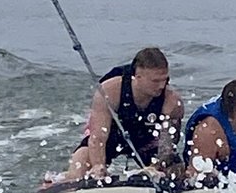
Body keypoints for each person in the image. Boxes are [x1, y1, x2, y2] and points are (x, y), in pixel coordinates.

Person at [64, 47, 184, 180]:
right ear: (137, 77)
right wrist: (98, 165)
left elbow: (167, 148)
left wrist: (155, 167)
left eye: (165, 80)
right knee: (81, 161)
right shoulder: (109, 91)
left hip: (147, 141)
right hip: (113, 135)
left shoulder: (172, 102)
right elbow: (97, 138)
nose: (162, 86)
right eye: (155, 81)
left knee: (174, 172)